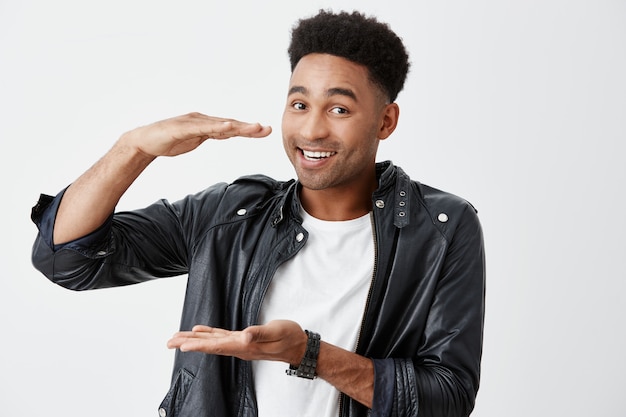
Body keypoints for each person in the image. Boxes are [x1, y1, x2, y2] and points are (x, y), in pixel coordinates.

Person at [31, 9, 485, 417]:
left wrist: (310, 354)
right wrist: (132, 149)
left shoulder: (439, 228)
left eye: (339, 108)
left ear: (386, 121)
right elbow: (67, 259)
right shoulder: (232, 215)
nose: (311, 129)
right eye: (300, 104)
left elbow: (447, 398)